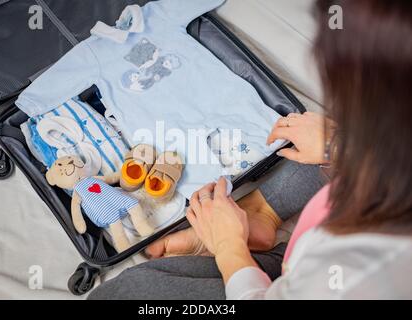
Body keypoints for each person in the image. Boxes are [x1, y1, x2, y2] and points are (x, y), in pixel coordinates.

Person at [89, 0, 412, 299]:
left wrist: (230, 247)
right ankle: (260, 214)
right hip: (315, 254)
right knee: (317, 146)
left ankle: (253, 247)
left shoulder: (374, 270)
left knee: (124, 294)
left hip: (298, 283)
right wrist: (337, 145)